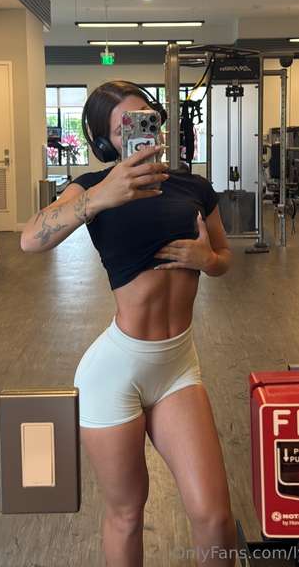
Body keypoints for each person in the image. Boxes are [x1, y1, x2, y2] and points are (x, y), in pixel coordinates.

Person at [21, 81, 237, 567]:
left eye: (145, 119)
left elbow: (225, 258)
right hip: (115, 372)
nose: (139, 132)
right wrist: (100, 196)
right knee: (127, 513)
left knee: (215, 517)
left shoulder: (194, 187)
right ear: (105, 141)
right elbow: (30, 239)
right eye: (124, 128)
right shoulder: (93, 186)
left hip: (178, 365)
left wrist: (207, 260)